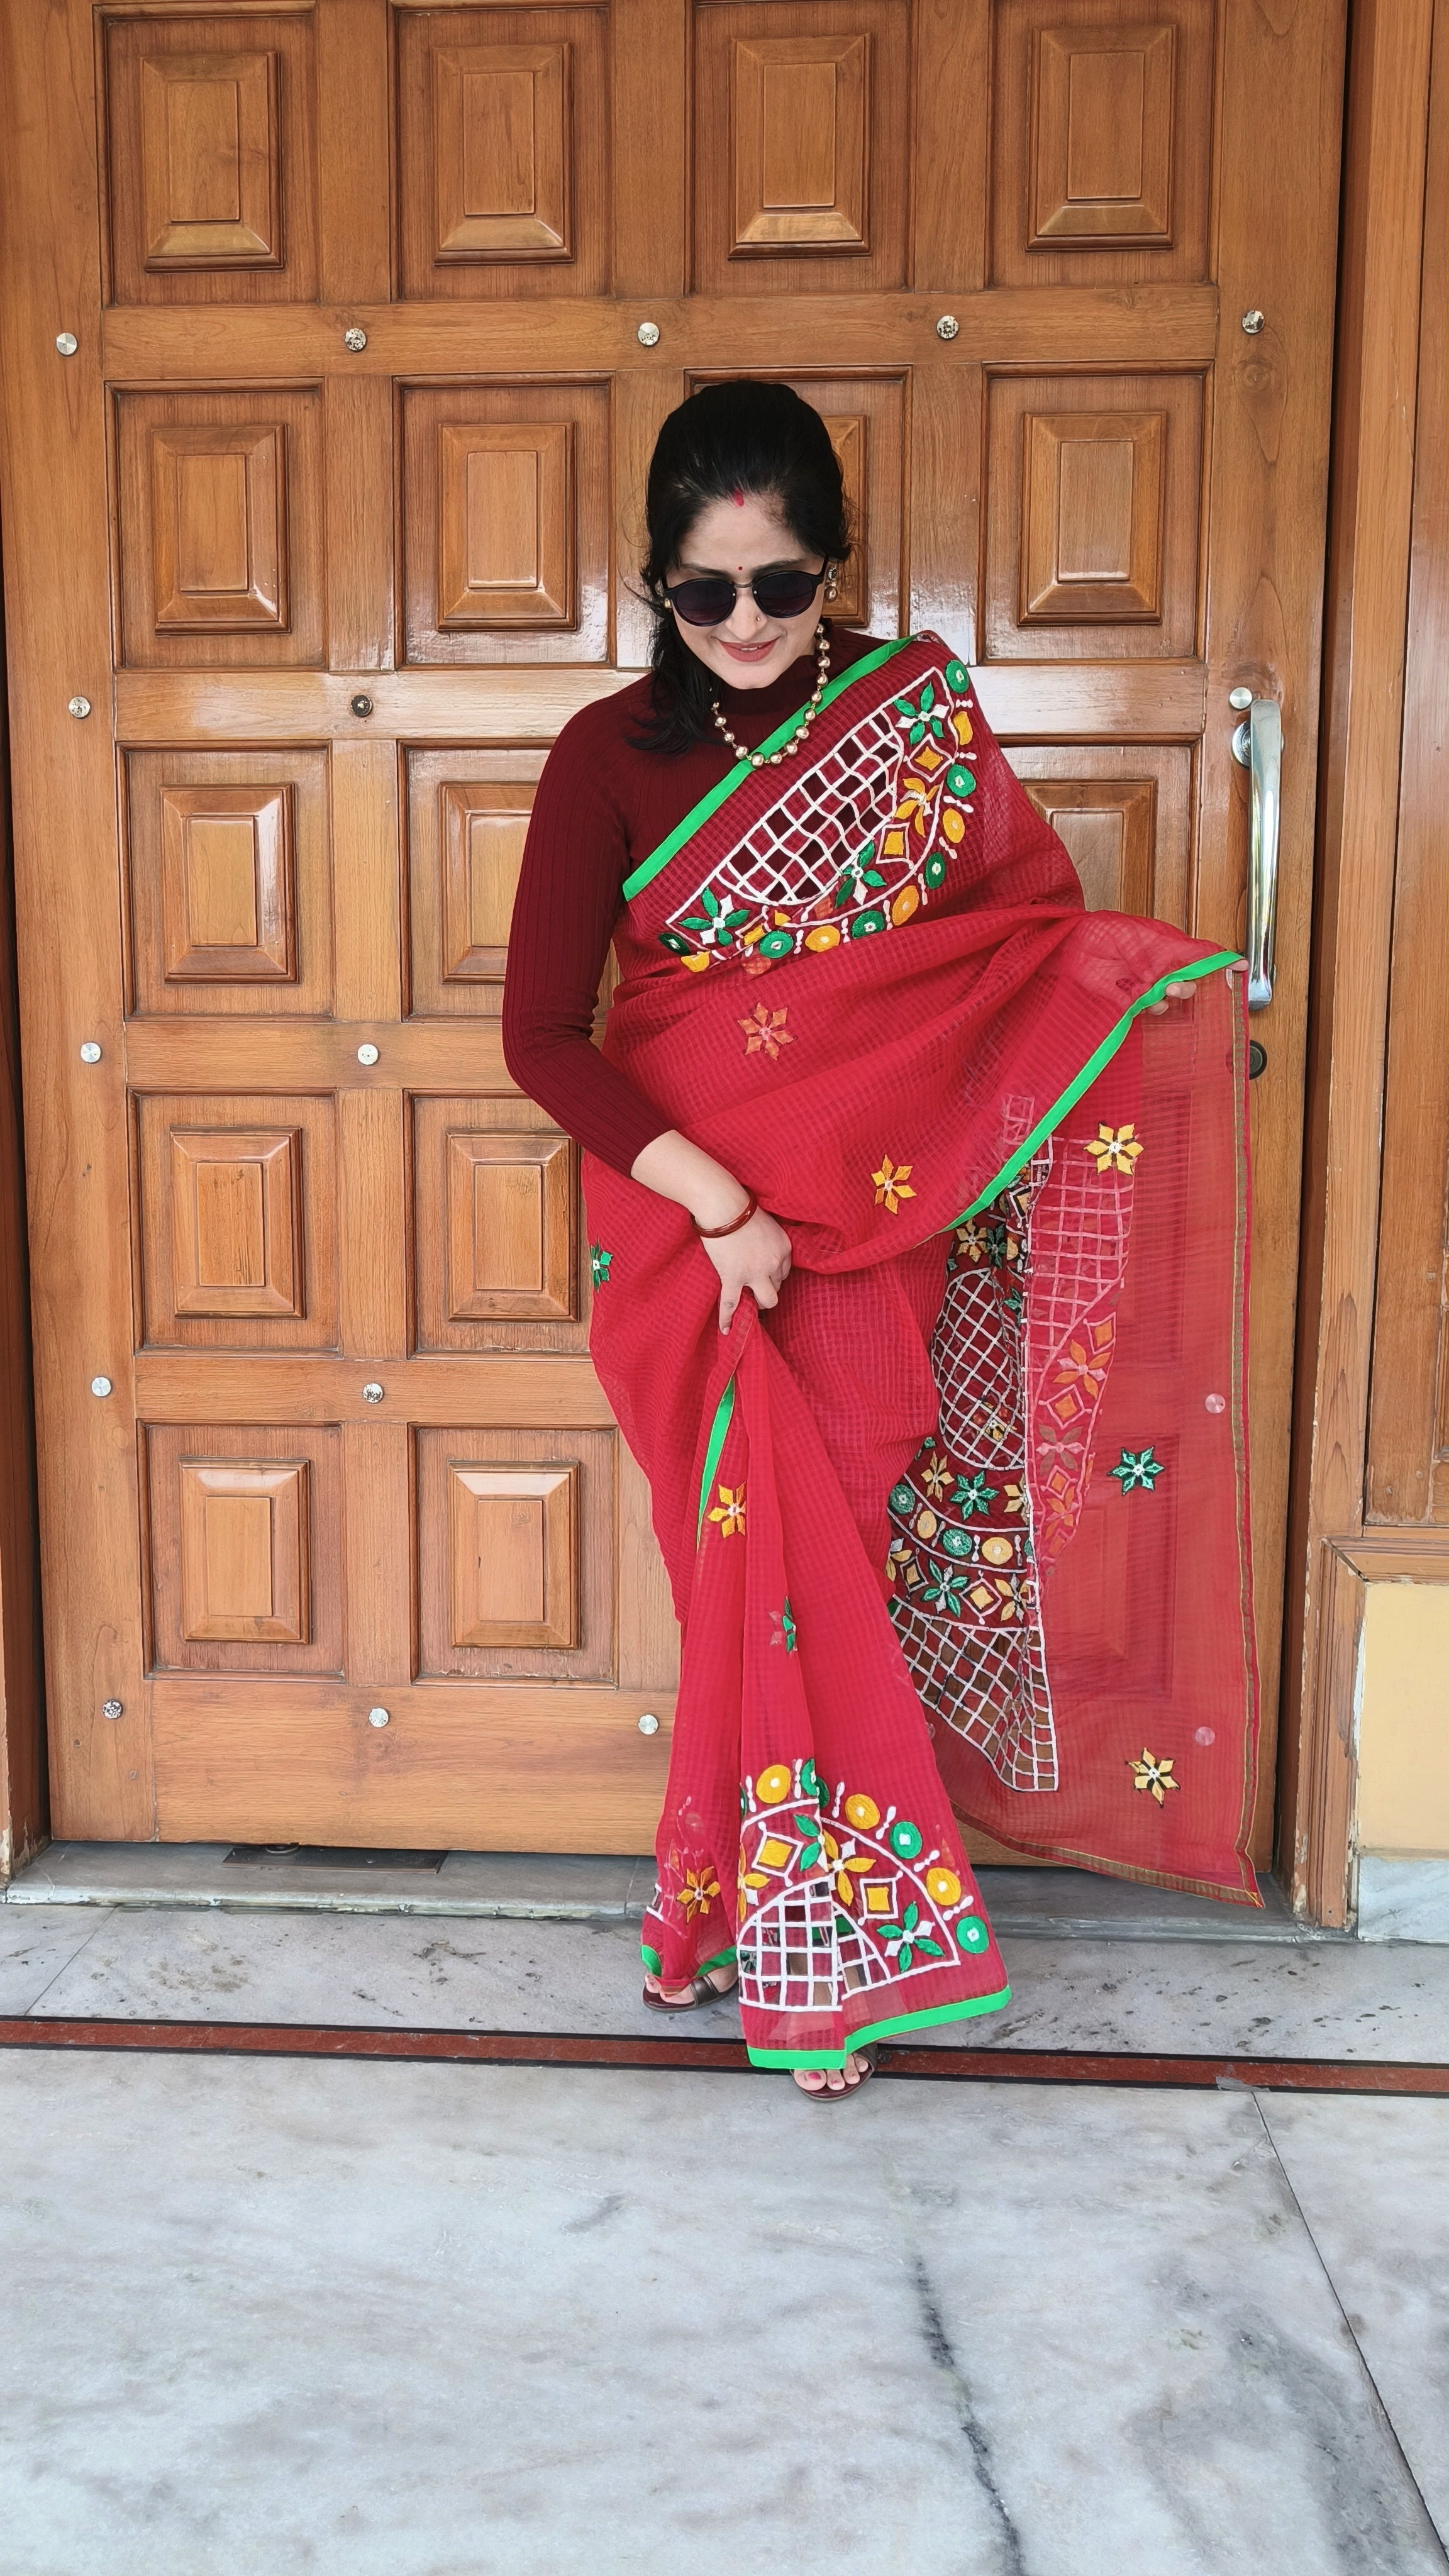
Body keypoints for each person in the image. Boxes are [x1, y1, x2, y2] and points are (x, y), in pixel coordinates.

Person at [504, 380, 1258, 2099]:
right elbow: (542, 1037)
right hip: (693, 1238)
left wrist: (1133, 1003)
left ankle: (792, 1939)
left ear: (833, 572)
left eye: (781, 586)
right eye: (706, 592)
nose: (746, 624)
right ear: (656, 585)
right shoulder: (606, 758)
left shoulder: (910, 721)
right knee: (736, 1572)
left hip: (877, 1215)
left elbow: (1017, 935)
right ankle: (777, 1931)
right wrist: (724, 1209)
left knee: (834, 1553)